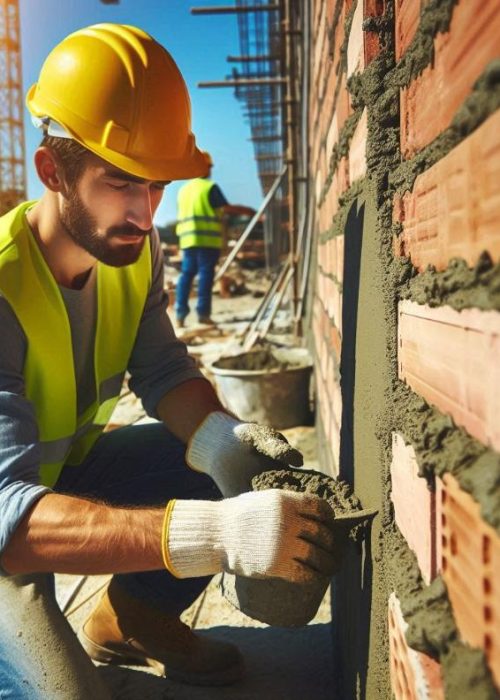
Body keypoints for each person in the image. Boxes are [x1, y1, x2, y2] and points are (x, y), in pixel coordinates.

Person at [0, 24, 343, 698]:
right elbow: (8, 516)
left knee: (203, 458)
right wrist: (215, 534)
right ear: (51, 170)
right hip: (7, 521)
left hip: (55, 473)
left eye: (155, 186)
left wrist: (222, 442)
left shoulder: (132, 249)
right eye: (120, 182)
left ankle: (131, 621)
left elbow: (161, 372)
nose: (142, 211)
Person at [175, 151, 255, 327]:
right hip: (207, 240)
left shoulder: (184, 190)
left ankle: (180, 315)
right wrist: (248, 211)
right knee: (205, 276)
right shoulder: (209, 187)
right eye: (209, 166)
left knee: (186, 276)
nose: (211, 170)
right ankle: (203, 314)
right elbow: (225, 208)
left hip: (187, 240)